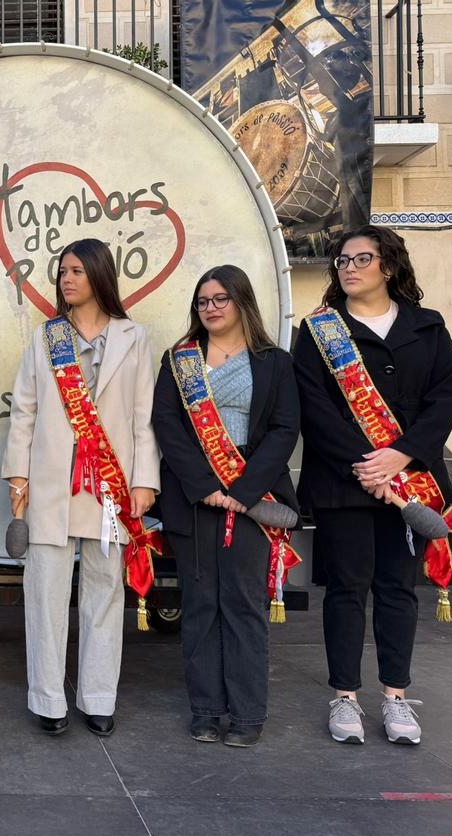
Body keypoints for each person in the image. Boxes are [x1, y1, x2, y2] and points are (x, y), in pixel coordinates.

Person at [294, 225, 452, 746]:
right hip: (347, 482)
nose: (348, 267)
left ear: (388, 265)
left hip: (409, 480)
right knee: (346, 587)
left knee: (396, 587)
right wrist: (367, 464)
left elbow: (445, 396)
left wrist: (401, 454)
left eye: (360, 258)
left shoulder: (426, 327)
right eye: (342, 261)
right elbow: (313, 406)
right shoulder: (319, 330)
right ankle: (344, 696)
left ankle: (395, 698)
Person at [2, 238, 159, 738]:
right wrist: (19, 475)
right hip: (51, 483)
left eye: (75, 270)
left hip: (110, 486)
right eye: (62, 271)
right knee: (45, 592)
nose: (66, 279)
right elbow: (23, 410)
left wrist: (143, 481)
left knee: (105, 591)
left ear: (98, 274)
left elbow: (143, 418)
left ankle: (98, 696)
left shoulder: (135, 338)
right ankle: (49, 698)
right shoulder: (46, 338)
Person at [151, 265, 300, 747]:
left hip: (252, 501)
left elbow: (284, 429)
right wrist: (205, 484)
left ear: (241, 302)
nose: (210, 308)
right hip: (195, 499)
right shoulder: (180, 360)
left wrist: (243, 490)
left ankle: (247, 714)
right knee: (200, 606)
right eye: (202, 301)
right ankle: (206, 709)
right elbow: (167, 424)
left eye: (220, 299)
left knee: (243, 605)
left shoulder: (274, 361)